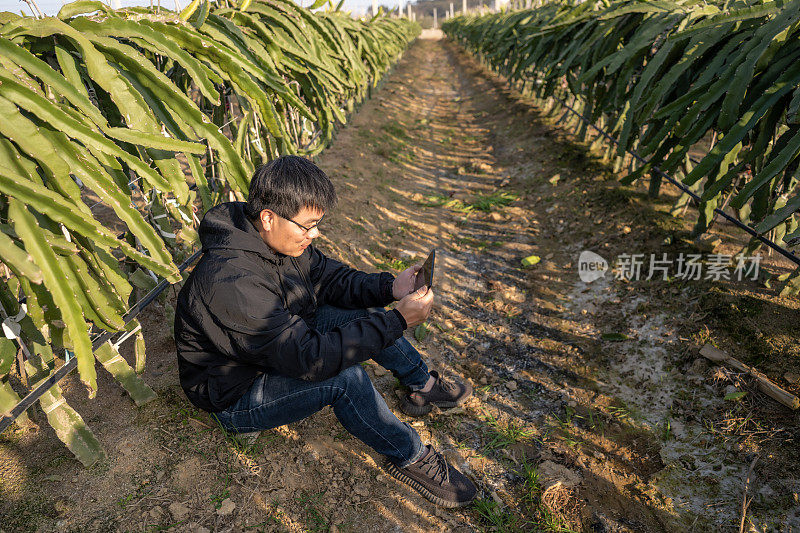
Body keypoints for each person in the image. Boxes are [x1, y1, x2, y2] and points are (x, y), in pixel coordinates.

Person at [174, 155, 476, 508]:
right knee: (345, 379)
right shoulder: (232, 281)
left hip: (272, 346)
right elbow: (310, 360)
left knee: (356, 312)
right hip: (236, 392)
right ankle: (411, 456)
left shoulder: (279, 239)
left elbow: (330, 279)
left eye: (316, 224)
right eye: (308, 225)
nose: (314, 234)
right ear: (269, 217)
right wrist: (397, 321)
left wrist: (390, 288)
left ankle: (421, 386)